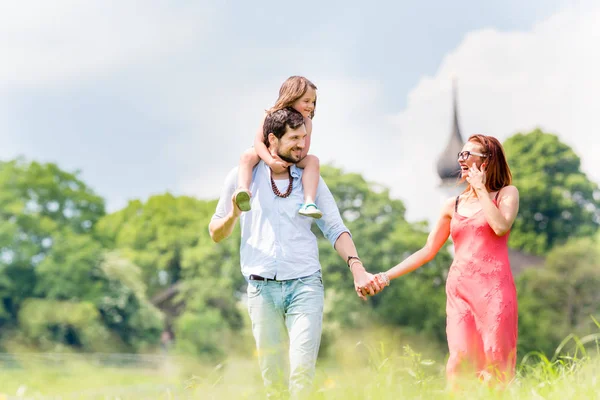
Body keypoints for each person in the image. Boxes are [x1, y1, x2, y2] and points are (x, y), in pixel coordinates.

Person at [209, 107, 385, 398]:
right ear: (272, 139)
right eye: (294, 138)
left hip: (305, 285)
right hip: (261, 288)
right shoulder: (243, 178)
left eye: (304, 137)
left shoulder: (310, 179)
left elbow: (335, 227)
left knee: (302, 373)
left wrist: (358, 268)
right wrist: (233, 216)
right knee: (273, 378)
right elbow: (215, 232)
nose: (302, 145)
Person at [375, 134, 519, 387]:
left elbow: (500, 226)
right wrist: (386, 276)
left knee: (496, 360)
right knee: (460, 360)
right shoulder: (451, 205)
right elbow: (428, 250)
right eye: (460, 154)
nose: (462, 160)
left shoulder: (506, 194)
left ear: (487, 161)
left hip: (494, 291)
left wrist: (481, 189)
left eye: (468, 154)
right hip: (460, 291)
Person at [234, 76, 323, 219]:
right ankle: (243, 189)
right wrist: (270, 161)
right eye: (306, 101)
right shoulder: (270, 114)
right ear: (292, 98)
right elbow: (258, 142)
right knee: (247, 155)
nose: (311, 106)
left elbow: (304, 147)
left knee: (313, 160)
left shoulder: (307, 122)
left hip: (293, 156)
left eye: (313, 102)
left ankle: (309, 202)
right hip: (267, 152)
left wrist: (290, 161)